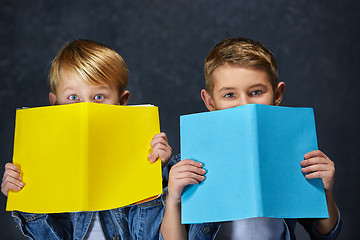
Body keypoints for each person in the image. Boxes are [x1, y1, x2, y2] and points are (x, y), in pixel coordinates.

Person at [160, 37, 342, 240]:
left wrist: (326, 190)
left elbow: (325, 232)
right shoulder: (187, 165)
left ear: (277, 94)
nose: (245, 105)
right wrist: (173, 198)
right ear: (210, 101)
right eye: (230, 95)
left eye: (256, 92)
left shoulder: (295, 154)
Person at [1, 39, 172, 240]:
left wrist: (153, 175)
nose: (86, 108)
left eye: (99, 97)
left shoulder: (143, 151)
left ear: (122, 101)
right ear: (55, 104)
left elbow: (147, 236)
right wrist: (24, 197)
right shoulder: (44, 160)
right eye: (73, 98)